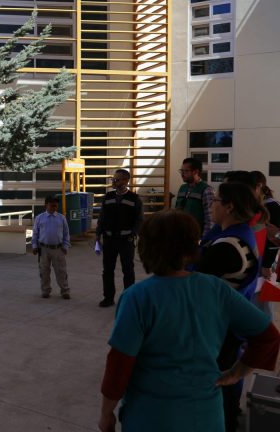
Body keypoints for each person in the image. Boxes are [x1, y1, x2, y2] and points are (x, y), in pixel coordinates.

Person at [98, 210, 280, 432]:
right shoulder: (216, 289)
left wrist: (106, 413)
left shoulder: (137, 297)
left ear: (147, 247)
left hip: (152, 417)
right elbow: (268, 336)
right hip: (207, 417)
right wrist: (236, 374)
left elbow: (119, 364)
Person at [196, 181, 266, 432]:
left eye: (216, 201)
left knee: (219, 387)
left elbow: (190, 278)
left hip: (220, 328)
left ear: (229, 207)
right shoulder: (237, 233)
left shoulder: (228, 246)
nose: (211, 206)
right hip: (229, 323)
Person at [95, 169, 144, 307]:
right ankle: (108, 298)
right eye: (113, 179)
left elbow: (139, 220)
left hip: (126, 240)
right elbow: (102, 217)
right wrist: (98, 234)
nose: (114, 182)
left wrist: (133, 234)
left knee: (128, 270)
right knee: (107, 270)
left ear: (126, 181)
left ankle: (128, 299)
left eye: (116, 180)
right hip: (109, 239)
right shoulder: (108, 196)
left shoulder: (134, 199)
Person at [31, 195, 71, 299]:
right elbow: (35, 233)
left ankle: (65, 291)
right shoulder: (39, 218)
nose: (54, 207)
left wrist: (65, 246)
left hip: (58, 249)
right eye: (52, 205)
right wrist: (34, 246)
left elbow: (66, 233)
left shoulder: (61, 218)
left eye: (56, 205)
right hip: (43, 249)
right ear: (46, 205)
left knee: (61, 271)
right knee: (44, 271)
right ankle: (45, 290)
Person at [174, 157, 215, 239]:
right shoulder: (182, 188)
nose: (182, 174)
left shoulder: (206, 190)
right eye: (181, 171)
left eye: (186, 171)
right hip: (180, 235)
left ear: (196, 172)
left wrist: (204, 240)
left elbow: (210, 220)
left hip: (196, 237)